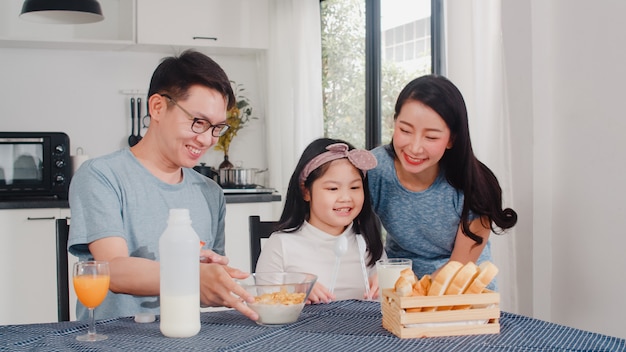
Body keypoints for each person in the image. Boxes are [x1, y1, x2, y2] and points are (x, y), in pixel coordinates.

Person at [68, 50, 258, 321]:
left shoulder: (210, 193)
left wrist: (216, 276)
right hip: (116, 339)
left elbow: (205, 284)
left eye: (217, 128)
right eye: (199, 122)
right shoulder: (101, 175)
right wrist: (192, 275)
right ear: (157, 107)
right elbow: (112, 270)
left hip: (187, 334)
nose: (207, 140)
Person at [368, 74, 517, 289]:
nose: (414, 148)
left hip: (461, 290)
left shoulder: (476, 186)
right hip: (398, 287)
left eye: (431, 137)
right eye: (405, 130)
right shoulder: (376, 169)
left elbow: (457, 267)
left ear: (451, 139)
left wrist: (411, 298)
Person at [255, 138, 385, 303]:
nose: (346, 198)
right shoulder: (281, 245)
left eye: (354, 188)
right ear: (306, 191)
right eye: (332, 188)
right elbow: (265, 308)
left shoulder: (368, 242)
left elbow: (391, 308)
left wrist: (387, 287)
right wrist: (294, 292)